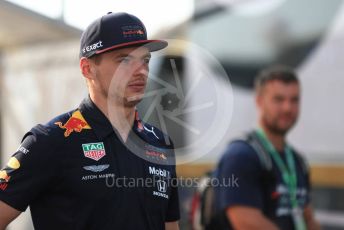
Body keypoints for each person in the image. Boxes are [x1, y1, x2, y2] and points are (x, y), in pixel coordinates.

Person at [0, 12, 180, 230]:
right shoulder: (50, 141)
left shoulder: (160, 144)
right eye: (124, 59)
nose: (140, 70)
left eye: (145, 60)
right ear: (87, 68)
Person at [214, 65, 320, 230]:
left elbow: (308, 218)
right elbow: (245, 223)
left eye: (294, 100)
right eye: (278, 99)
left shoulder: (297, 161)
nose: (287, 108)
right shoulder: (241, 156)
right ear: (259, 101)